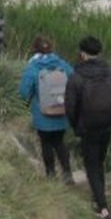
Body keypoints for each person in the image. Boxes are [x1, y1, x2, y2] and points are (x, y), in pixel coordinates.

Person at [64, 36, 111, 219]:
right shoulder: (110, 74)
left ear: (82, 53)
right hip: (107, 126)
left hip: (88, 128)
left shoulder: (76, 76)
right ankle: (99, 197)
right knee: (98, 161)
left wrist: (77, 126)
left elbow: (70, 106)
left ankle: (103, 209)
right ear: (99, 52)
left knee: (92, 165)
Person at [18, 35, 74, 183]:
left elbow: (24, 91)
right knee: (60, 142)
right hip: (62, 112)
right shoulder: (63, 65)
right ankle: (67, 173)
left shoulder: (33, 67)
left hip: (43, 114)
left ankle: (51, 175)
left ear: (35, 49)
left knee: (46, 143)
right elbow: (75, 81)